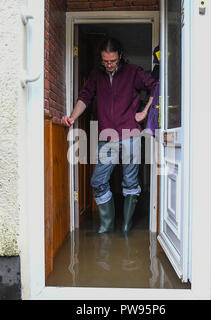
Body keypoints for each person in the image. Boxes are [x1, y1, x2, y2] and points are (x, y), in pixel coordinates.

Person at [61, 37, 157, 235]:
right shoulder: (96, 75)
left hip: (130, 134)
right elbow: (85, 97)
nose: (109, 65)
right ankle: (106, 226)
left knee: (130, 182)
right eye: (105, 61)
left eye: (112, 61)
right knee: (98, 181)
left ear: (120, 56)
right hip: (107, 137)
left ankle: (125, 227)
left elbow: (156, 86)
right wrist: (71, 117)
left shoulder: (133, 72)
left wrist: (145, 111)